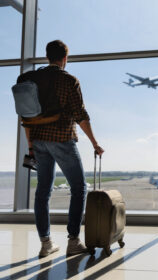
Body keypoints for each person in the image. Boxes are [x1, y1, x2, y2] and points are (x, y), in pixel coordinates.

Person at [19, 40, 104, 257]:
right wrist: (94, 142)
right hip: (61, 138)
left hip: (38, 140)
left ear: (47, 56)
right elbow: (80, 115)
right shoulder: (68, 80)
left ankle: (46, 243)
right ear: (65, 58)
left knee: (43, 191)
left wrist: (31, 145)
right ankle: (73, 241)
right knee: (78, 188)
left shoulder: (31, 79)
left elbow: (25, 117)